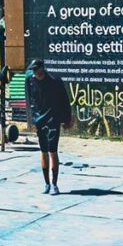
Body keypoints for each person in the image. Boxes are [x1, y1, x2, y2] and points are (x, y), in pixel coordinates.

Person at [25, 59, 73, 195]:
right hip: (39, 120)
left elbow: (64, 100)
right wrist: (32, 121)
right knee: (43, 152)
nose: (35, 73)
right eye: (33, 70)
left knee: (53, 151)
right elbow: (30, 101)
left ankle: (54, 184)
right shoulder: (30, 81)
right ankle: (46, 183)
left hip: (53, 119)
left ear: (42, 68)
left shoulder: (54, 81)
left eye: (37, 69)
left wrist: (67, 119)